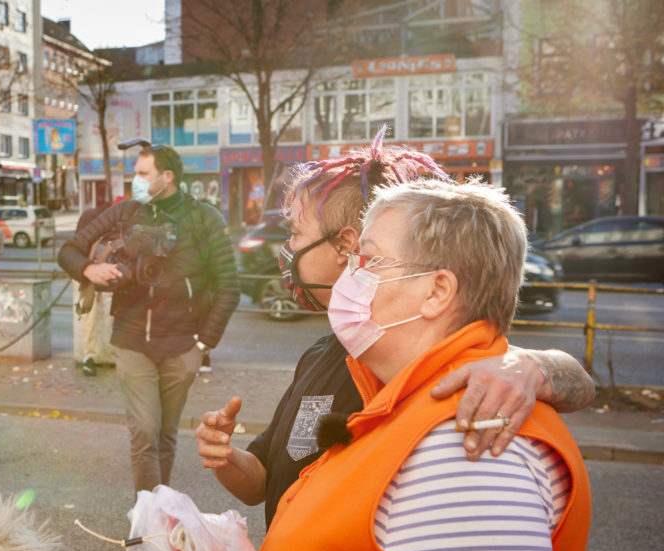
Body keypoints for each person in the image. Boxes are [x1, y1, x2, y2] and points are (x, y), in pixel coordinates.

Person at [186, 178, 592, 551]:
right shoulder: (408, 394)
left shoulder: (471, 437)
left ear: (437, 290)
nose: (349, 275)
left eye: (370, 261)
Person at [196, 129, 595, 527]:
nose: (288, 252)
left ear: (346, 246)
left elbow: (572, 386)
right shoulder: (323, 355)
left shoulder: (416, 361)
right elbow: (266, 480)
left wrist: (532, 367)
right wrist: (227, 457)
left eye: (296, 234)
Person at [59, 143, 240, 494]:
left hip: (182, 346)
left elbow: (229, 287)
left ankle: (161, 512)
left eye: (142, 174)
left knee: (166, 436)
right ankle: (149, 524)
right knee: (144, 433)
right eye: (135, 173)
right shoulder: (125, 212)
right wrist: (89, 269)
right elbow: (67, 251)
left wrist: (202, 345)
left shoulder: (204, 219)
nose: (135, 180)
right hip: (131, 343)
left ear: (166, 177)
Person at [73, 200, 112, 377]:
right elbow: (92, 261)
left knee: (90, 315)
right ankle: (90, 356)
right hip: (85, 274)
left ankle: (91, 355)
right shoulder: (94, 231)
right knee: (89, 313)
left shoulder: (88, 223)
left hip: (87, 272)